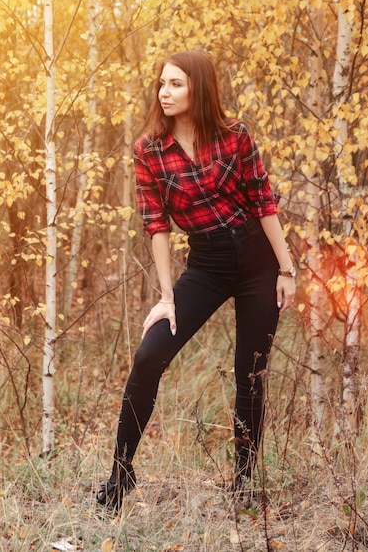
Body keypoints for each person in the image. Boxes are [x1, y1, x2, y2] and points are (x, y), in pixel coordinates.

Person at [96, 50, 296, 511]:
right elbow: (156, 226)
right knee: (149, 355)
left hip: (257, 260)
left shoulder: (234, 137)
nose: (164, 92)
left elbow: (264, 203)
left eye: (175, 84)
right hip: (205, 263)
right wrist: (167, 298)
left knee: (251, 373)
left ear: (198, 89)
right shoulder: (149, 150)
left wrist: (286, 270)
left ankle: (243, 484)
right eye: (161, 84)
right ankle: (120, 476)